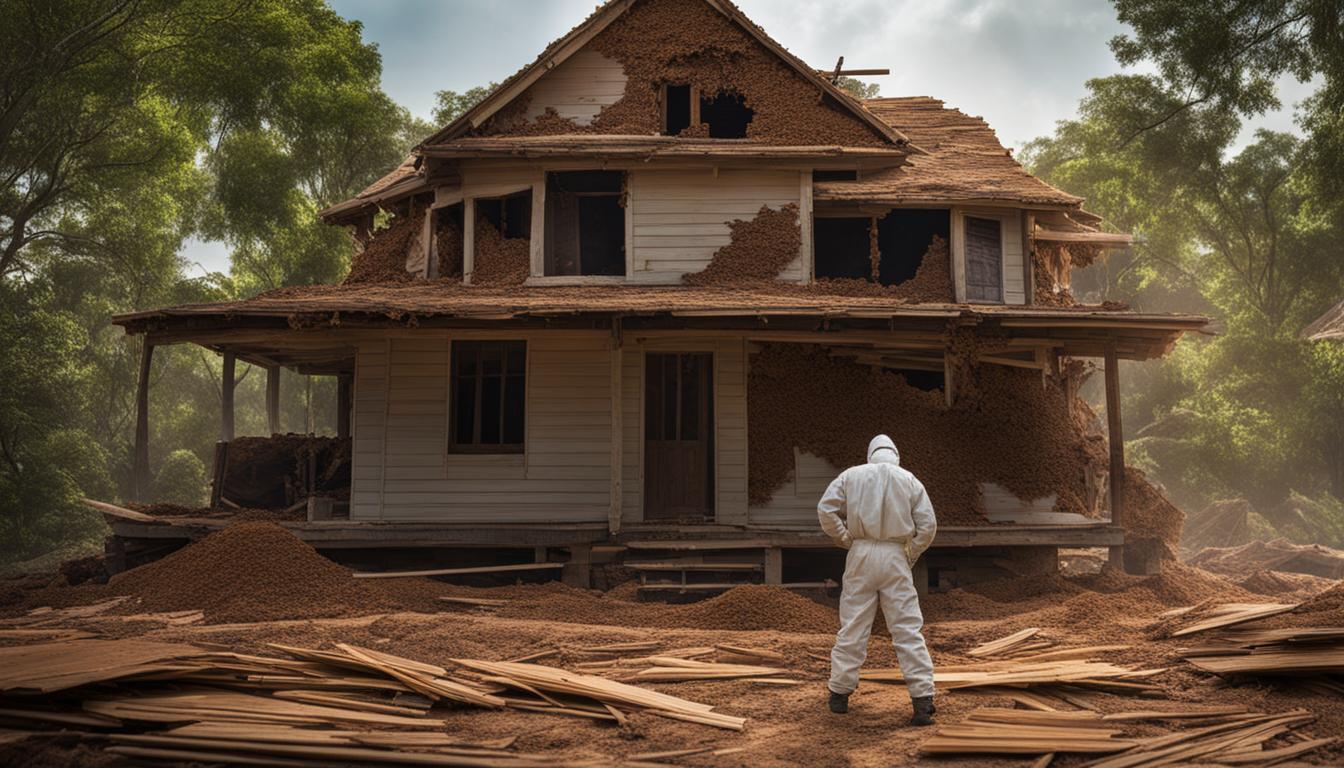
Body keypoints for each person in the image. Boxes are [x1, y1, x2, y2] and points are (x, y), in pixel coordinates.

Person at [817, 434, 938, 726]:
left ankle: (839, 695)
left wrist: (845, 538)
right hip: (895, 554)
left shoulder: (851, 476)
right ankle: (922, 701)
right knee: (907, 628)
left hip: (860, 552)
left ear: (871, 454)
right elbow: (928, 525)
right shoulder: (909, 479)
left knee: (853, 625)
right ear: (895, 454)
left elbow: (826, 509)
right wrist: (911, 551)